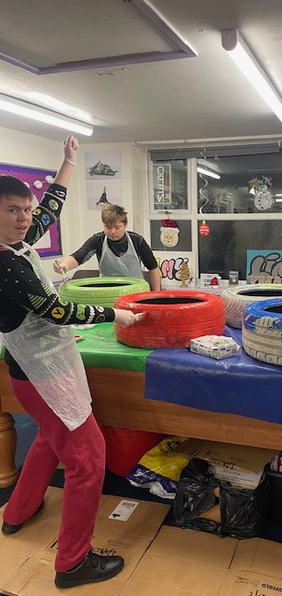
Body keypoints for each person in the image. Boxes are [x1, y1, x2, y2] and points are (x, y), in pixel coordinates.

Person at [0, 135, 142, 589]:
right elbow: (56, 310)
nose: (25, 218)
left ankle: (17, 512)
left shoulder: (17, 244)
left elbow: (50, 209)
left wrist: (67, 163)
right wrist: (114, 312)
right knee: (87, 460)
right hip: (43, 374)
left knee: (48, 436)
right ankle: (73, 563)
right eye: (12, 210)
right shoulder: (8, 265)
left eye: (25, 209)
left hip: (33, 370)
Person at [53, 204, 161, 289]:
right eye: (108, 227)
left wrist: (156, 295)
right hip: (107, 291)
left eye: (117, 227)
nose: (112, 231)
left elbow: (153, 268)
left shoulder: (137, 241)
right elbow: (79, 256)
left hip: (135, 291)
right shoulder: (97, 240)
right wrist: (64, 266)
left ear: (125, 225)